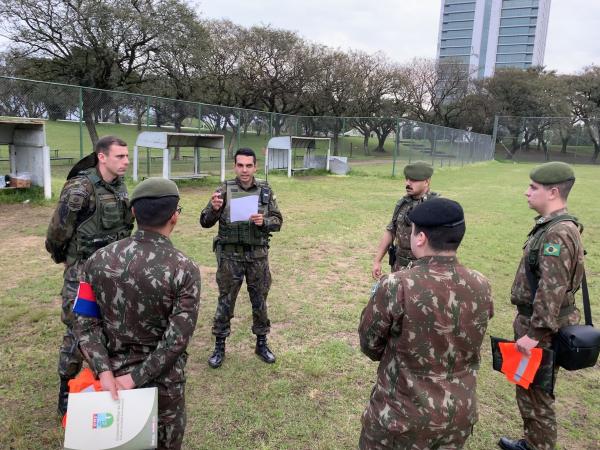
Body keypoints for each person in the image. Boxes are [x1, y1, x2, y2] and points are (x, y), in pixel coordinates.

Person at [73, 177, 201, 450]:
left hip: (109, 387)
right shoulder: (184, 269)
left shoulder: (97, 260)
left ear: (133, 213)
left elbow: (84, 324)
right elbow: (176, 340)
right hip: (163, 386)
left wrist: (105, 373)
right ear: (175, 216)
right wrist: (135, 379)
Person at [359, 198, 494, 450]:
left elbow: (369, 344)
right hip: (457, 416)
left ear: (420, 238)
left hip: (400, 419)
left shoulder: (397, 285)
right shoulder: (481, 284)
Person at [45, 135, 134, 415]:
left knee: (113, 329)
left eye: (126, 156)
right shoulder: (79, 190)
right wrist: (70, 263)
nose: (126, 161)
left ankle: (105, 379)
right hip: (83, 275)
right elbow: (57, 234)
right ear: (102, 157)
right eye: (120, 156)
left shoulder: (119, 188)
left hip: (112, 273)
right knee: (78, 331)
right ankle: (66, 388)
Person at [499, 162, 584, 450]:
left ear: (553, 192)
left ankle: (537, 447)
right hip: (539, 324)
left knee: (538, 395)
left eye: (533, 188)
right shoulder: (555, 226)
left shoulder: (557, 233)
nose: (526, 193)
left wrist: (533, 335)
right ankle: (532, 442)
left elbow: (552, 289)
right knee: (531, 390)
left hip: (541, 329)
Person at [200, 147, 282, 368]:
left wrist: (263, 221)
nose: (244, 170)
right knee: (225, 301)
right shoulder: (224, 189)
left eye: (249, 165)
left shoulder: (265, 190)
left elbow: (278, 221)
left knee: (259, 301)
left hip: (257, 257)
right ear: (235, 166)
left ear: (255, 166)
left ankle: (262, 343)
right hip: (230, 257)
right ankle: (219, 346)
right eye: (240, 165)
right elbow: (205, 221)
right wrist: (215, 209)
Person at [372, 161, 438, 279]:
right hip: (398, 268)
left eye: (413, 180)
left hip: (422, 271)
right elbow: (391, 231)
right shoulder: (403, 203)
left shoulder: (435, 206)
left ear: (426, 181)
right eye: (407, 179)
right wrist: (377, 260)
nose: (408, 183)